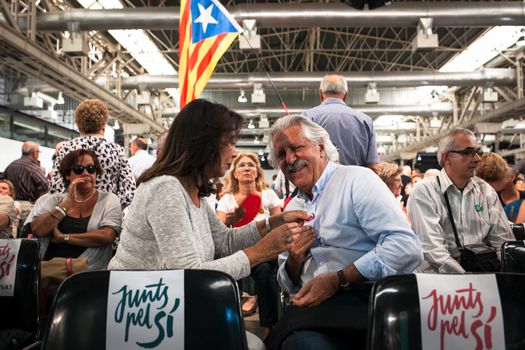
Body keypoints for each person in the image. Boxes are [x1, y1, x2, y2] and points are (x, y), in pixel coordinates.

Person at [108, 100, 313, 288]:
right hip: (137, 306)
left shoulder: (191, 190)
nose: (234, 152)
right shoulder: (166, 189)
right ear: (205, 145)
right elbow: (188, 274)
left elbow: (225, 241)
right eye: (230, 142)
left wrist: (273, 222)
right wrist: (260, 252)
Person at [265, 115, 422, 350]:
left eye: (296, 148)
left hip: (367, 301)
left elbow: (405, 247)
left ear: (320, 147)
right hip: (314, 313)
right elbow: (287, 284)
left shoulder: (356, 180)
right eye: (281, 154)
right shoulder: (294, 208)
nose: (289, 159)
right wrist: (295, 260)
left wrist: (338, 280)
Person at [407, 128, 513, 274]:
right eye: (468, 152)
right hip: (438, 285)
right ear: (446, 158)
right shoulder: (425, 192)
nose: (477, 158)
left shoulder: (485, 191)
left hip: (483, 279)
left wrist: (502, 276)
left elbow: (503, 243)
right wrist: (467, 279)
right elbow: (433, 250)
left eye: (478, 152)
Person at [216, 152, 282, 337]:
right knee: (224, 274)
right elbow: (218, 232)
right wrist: (233, 219)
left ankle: (269, 328)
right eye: (242, 165)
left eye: (251, 165)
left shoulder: (268, 194)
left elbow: (279, 223)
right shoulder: (227, 199)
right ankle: (227, 326)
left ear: (257, 172)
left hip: (265, 250)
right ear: (235, 173)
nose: (246, 168)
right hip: (237, 252)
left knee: (265, 272)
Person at [30, 149, 122, 270]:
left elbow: (107, 235)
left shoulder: (108, 199)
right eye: (79, 169)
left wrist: (64, 238)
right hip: (52, 271)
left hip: (90, 271)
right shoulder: (55, 199)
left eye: (91, 168)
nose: (86, 173)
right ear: (68, 175)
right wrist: (67, 203)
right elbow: (38, 230)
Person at [48, 99, 135, 207]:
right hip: (106, 217)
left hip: (72, 217)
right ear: (103, 123)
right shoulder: (117, 151)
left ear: (78, 123)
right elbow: (128, 191)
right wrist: (112, 212)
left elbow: (55, 188)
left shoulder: (66, 149)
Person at [303, 74, 379, 172]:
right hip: (355, 185)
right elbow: (373, 167)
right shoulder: (365, 121)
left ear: (321, 94)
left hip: (318, 186)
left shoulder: (306, 118)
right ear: (346, 95)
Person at [2, 141, 48, 230]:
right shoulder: (34, 168)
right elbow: (45, 185)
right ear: (34, 154)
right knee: (24, 234)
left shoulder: (11, 165)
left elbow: (2, 179)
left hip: (11, 204)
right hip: (27, 206)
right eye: (38, 152)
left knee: (12, 232)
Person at [476, 153, 525, 223]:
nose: (490, 185)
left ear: (512, 176)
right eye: (487, 181)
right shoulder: (488, 202)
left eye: (494, 179)